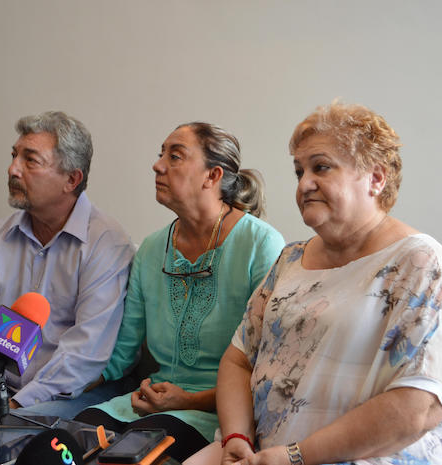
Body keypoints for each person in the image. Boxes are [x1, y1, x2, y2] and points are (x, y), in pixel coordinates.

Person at [189, 103, 442, 465]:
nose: (304, 184)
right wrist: (237, 438)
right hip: (261, 454)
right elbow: (238, 359)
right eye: (299, 171)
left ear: (376, 178)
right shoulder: (290, 260)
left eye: (321, 167)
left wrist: (294, 456)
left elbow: (420, 406)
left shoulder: (419, 263)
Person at [72, 122, 286, 462]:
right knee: (59, 447)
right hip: (144, 404)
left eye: (175, 156)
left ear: (212, 176)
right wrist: (60, 380)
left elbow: (266, 370)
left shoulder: (261, 245)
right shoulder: (151, 248)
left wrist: (188, 400)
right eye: (161, 155)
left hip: (218, 414)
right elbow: (123, 353)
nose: (157, 166)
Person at [0, 111, 134, 415]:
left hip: (69, 396)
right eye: (14, 156)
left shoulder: (106, 243)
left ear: (71, 179)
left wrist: (16, 405)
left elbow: (85, 354)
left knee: (16, 432)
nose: (13, 169)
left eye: (30, 160)